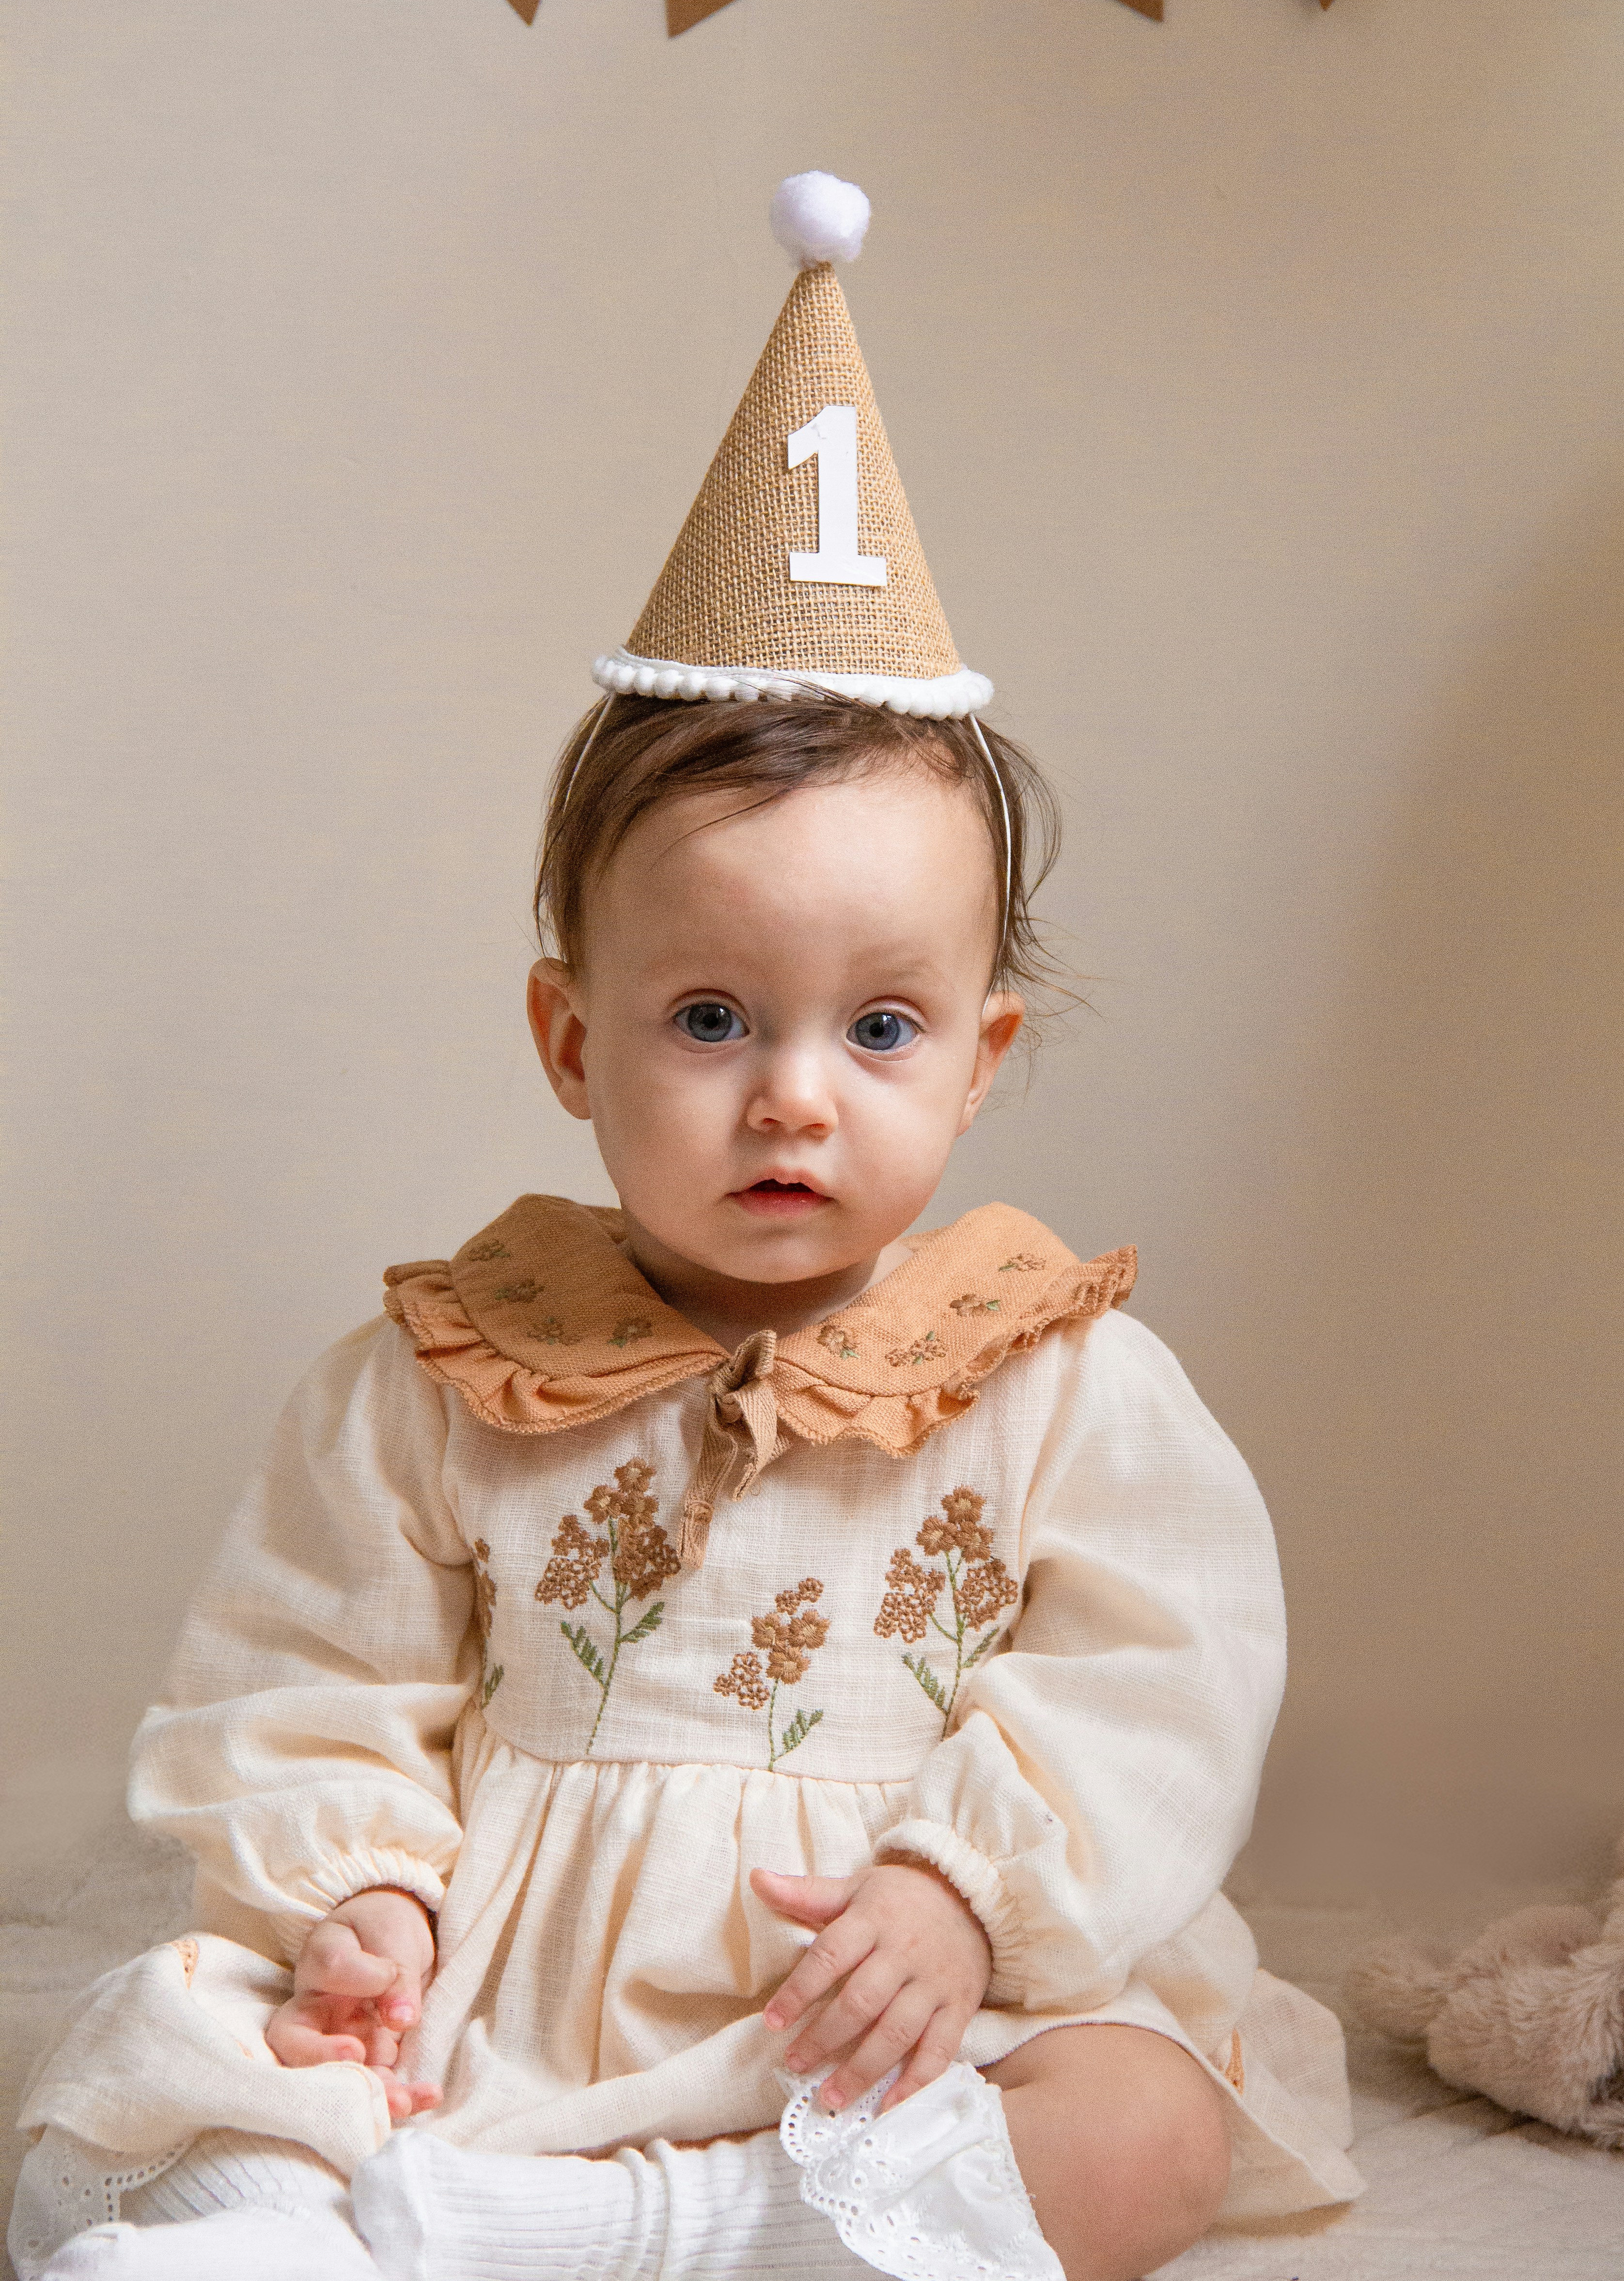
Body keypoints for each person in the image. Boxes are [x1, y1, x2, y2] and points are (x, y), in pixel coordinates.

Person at [12, 176, 1362, 2281]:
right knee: (196, 2036)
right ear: (571, 1035)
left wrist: (958, 1895)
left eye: (882, 1024)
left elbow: (1162, 1674)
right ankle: (316, 2208)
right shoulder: (453, 1366)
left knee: (1145, 2121)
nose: (794, 1092)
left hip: (883, 1989)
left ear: (983, 1055)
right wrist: (360, 1899)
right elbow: (308, 1666)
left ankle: (631, 2237)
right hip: (512, 1978)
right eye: (712, 1016)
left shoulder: (1056, 1374)